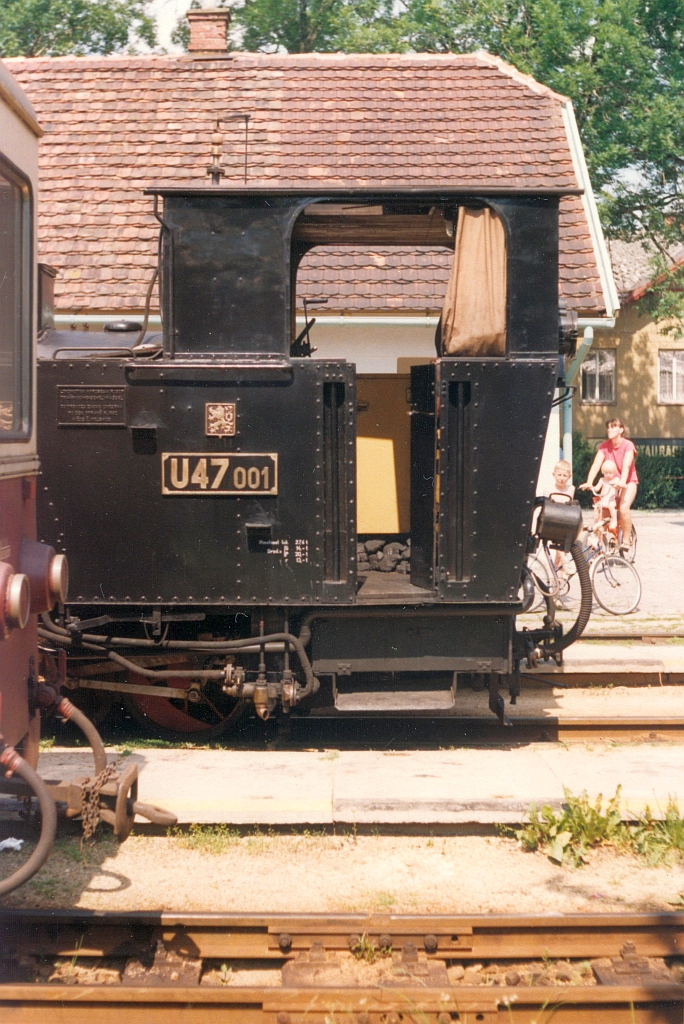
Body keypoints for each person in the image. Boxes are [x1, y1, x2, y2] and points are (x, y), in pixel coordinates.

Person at [580, 419, 638, 552]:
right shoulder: (604, 446)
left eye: (613, 427)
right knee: (603, 511)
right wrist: (589, 482)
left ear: (621, 430)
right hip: (610, 484)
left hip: (628, 482)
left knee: (623, 507)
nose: (609, 430)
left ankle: (626, 540)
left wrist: (622, 482)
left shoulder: (628, 445)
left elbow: (626, 465)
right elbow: (596, 465)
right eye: (608, 427)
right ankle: (604, 542)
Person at [587, 459, 621, 535]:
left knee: (611, 505)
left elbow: (619, 487)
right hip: (604, 500)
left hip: (613, 499)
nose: (608, 475)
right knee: (596, 506)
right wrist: (592, 488)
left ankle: (614, 520)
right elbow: (597, 488)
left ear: (614, 473)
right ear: (603, 472)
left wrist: (616, 485)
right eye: (606, 473)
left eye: (610, 473)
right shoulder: (602, 480)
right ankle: (596, 522)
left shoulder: (616, 479)